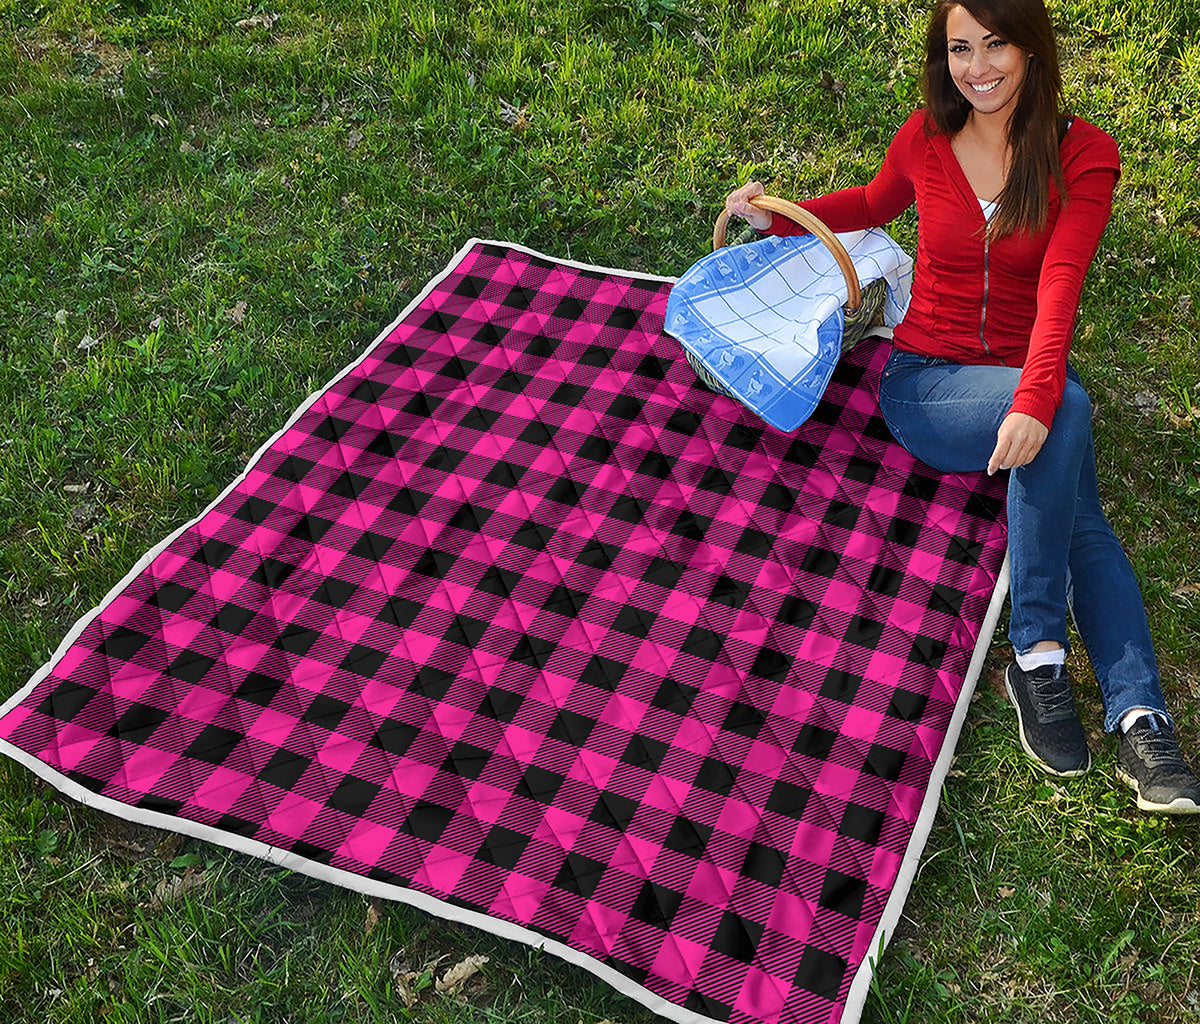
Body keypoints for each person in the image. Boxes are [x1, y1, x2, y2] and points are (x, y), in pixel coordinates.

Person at [724, 0, 1200, 814]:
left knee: (1074, 475)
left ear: (1031, 48)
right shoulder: (926, 137)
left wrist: (1036, 396)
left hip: (1020, 377)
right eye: (959, 49)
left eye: (996, 44)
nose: (977, 67)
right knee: (1070, 421)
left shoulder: (1083, 155)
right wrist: (779, 221)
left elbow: (1061, 284)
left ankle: (1135, 715)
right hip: (926, 382)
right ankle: (1044, 654)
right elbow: (872, 205)